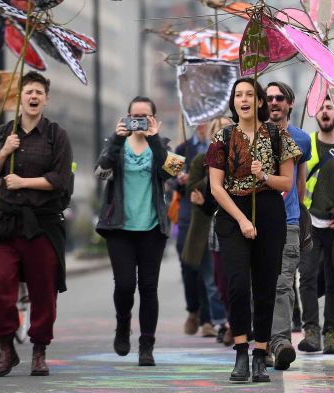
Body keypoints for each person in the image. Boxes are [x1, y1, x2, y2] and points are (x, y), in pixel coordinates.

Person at [206, 77, 301, 383]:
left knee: (265, 286)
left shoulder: (278, 136)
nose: (244, 99)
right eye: (238, 95)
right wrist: (243, 220)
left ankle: (260, 353)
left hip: (270, 213)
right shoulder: (223, 137)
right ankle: (240, 351)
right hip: (233, 215)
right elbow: (216, 188)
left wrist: (266, 175)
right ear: (233, 102)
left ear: (259, 101)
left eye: (250, 94)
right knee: (235, 285)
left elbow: (287, 183)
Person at [0, 71, 73, 378]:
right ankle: (5, 347)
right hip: (7, 221)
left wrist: (23, 182)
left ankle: (39, 349)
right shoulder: (4, 133)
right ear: (19, 97)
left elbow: (60, 180)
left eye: (39, 92)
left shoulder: (55, 135)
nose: (33, 97)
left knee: (43, 289)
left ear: (46, 99)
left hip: (42, 224)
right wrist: (3, 151)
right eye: (28, 92)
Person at [95, 96, 171, 367]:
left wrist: (154, 138)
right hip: (120, 228)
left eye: (145, 117)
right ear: (125, 117)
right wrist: (116, 140)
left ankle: (146, 345)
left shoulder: (162, 145)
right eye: (134, 116)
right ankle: (123, 324)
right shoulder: (114, 143)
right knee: (125, 284)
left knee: (149, 287)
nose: (139, 122)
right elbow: (101, 172)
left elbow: (169, 173)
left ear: (154, 119)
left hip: (152, 228)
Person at [264, 81, 310, 371]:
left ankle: (281, 343)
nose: (273, 102)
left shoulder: (302, 139)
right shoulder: (254, 136)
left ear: (290, 103)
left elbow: (300, 181)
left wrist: (296, 210)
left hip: (289, 222)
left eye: (279, 97)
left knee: (283, 285)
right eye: (268, 98)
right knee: (261, 286)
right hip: (258, 223)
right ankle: (262, 343)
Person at [298, 96, 334, 355]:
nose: (325, 112)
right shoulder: (306, 143)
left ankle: (331, 334)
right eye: (320, 108)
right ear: (314, 114)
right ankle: (311, 331)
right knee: (306, 277)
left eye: (329, 107)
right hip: (309, 223)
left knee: (332, 280)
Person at [186, 116, 234, 344]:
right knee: (216, 282)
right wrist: (201, 191)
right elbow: (201, 197)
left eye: (227, 127)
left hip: (239, 226)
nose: (223, 131)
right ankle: (221, 320)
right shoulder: (204, 159)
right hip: (211, 227)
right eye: (218, 128)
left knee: (238, 281)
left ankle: (234, 324)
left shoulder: (242, 154)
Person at [172, 122, 213, 336]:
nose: (202, 124)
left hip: (212, 212)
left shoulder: (218, 146)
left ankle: (208, 319)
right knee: (189, 264)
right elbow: (168, 177)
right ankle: (193, 310)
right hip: (189, 213)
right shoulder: (182, 149)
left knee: (209, 267)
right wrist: (179, 179)